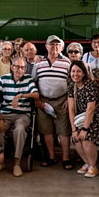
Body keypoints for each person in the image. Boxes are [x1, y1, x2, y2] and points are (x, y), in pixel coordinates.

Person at [0, 58, 39, 177]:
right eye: (17, 67)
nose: (20, 70)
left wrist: (21, 95)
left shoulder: (28, 79)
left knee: (19, 130)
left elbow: (36, 94)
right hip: (6, 113)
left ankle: (17, 163)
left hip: (22, 114)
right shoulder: (4, 79)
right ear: (12, 67)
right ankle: (1, 161)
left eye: (23, 68)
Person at [34, 35, 73, 170]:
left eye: (57, 45)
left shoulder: (67, 62)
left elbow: (72, 82)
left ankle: (66, 158)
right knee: (47, 131)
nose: (54, 47)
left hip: (62, 100)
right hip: (44, 102)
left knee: (64, 131)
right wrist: (37, 100)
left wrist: (69, 99)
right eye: (52, 44)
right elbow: (34, 83)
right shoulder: (38, 64)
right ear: (46, 46)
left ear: (61, 47)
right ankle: (51, 157)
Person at [67, 61, 99, 178]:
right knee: (76, 138)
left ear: (84, 73)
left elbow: (91, 109)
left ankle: (93, 166)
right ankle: (87, 163)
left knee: (86, 138)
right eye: (73, 71)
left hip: (98, 119)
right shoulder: (72, 86)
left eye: (78, 71)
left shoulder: (91, 86)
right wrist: (74, 129)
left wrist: (84, 129)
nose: (75, 74)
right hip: (83, 118)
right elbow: (71, 108)